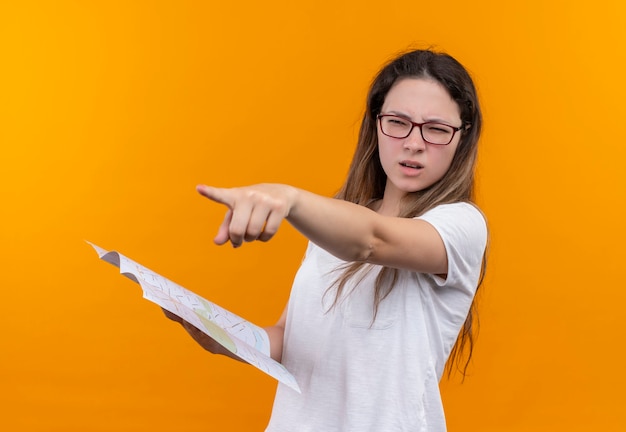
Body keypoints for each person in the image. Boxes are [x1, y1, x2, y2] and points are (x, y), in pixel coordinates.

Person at [165, 48, 488, 431]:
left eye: (436, 129)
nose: (413, 143)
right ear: (376, 124)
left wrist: (288, 198)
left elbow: (372, 240)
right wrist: (220, 334)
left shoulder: (461, 226)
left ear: (462, 137)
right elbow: (288, 341)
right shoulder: (332, 226)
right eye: (398, 122)